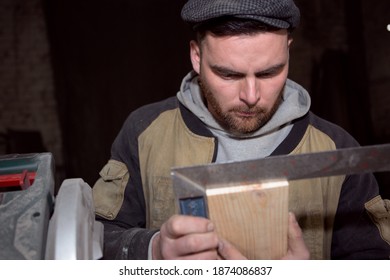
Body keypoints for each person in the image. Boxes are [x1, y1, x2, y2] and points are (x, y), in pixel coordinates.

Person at [92, 0, 390, 260]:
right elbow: (94, 239)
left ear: (288, 50)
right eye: (229, 74)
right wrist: (154, 250)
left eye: (269, 71)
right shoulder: (145, 133)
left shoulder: (336, 150)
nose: (250, 95)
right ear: (197, 56)